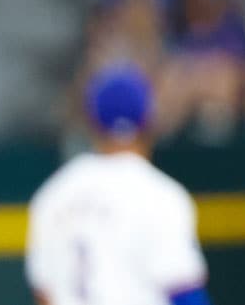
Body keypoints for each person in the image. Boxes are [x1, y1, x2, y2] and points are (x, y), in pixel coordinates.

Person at [25, 63, 212, 305]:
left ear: (92, 122)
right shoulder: (161, 195)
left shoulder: (53, 194)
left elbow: (43, 293)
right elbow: (185, 293)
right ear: (148, 120)